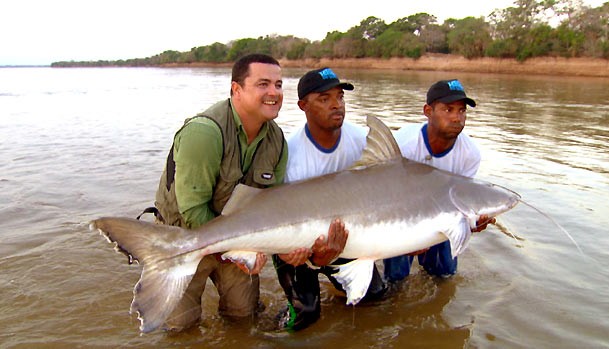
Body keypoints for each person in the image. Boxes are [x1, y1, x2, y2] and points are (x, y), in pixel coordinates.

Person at [146, 53, 288, 331]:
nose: (274, 92)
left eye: (279, 84)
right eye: (263, 84)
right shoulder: (204, 132)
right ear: (237, 89)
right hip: (184, 236)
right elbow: (192, 211)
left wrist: (258, 248)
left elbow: (271, 205)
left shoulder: (277, 139)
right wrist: (238, 248)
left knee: (243, 318)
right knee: (180, 327)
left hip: (235, 236)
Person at [273, 67, 388, 331]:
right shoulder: (290, 155)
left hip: (345, 234)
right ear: (303, 105)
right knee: (307, 316)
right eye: (324, 99)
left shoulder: (362, 141)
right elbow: (277, 219)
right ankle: (275, 329)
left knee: (375, 298)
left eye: (339, 97)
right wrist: (315, 258)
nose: (336, 105)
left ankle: (339, 287)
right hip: (296, 240)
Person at [383, 79, 495, 282]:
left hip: (442, 212)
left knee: (445, 276)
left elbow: (461, 200)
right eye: (448, 110)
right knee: (395, 281)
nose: (456, 118)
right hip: (400, 211)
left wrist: (473, 221)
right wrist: (410, 237)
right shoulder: (405, 145)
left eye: (461, 111)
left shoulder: (470, 154)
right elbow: (386, 197)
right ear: (428, 111)